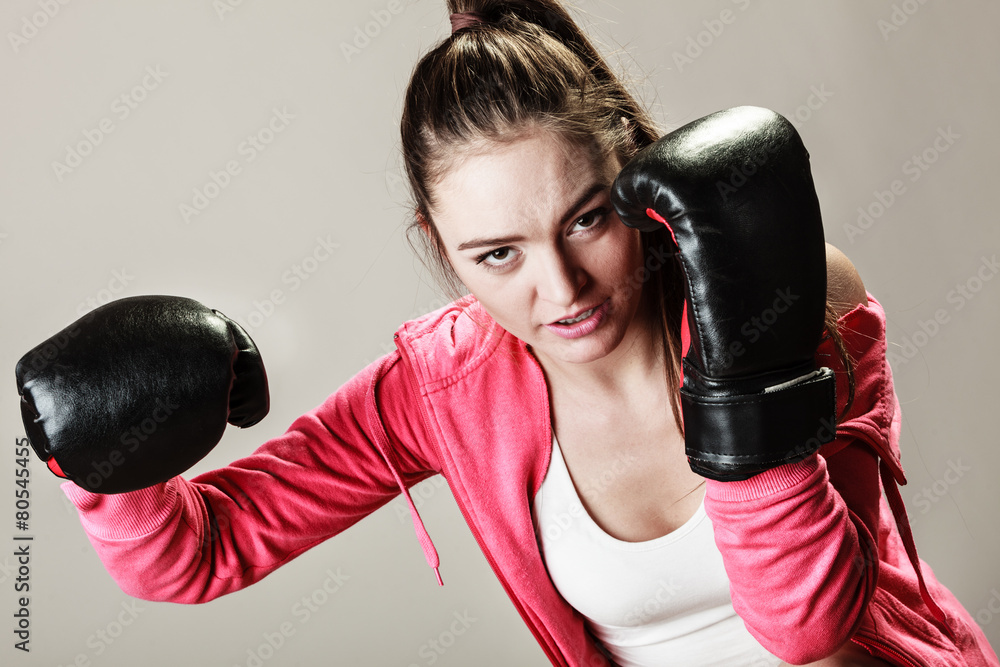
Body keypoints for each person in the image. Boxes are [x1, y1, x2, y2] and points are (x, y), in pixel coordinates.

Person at [15, 1, 998, 666]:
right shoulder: (445, 386)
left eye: (585, 218)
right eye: (497, 255)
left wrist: (747, 375)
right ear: (440, 250)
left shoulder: (796, 288)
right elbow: (193, 552)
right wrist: (107, 459)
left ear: (642, 176)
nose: (560, 287)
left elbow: (811, 633)